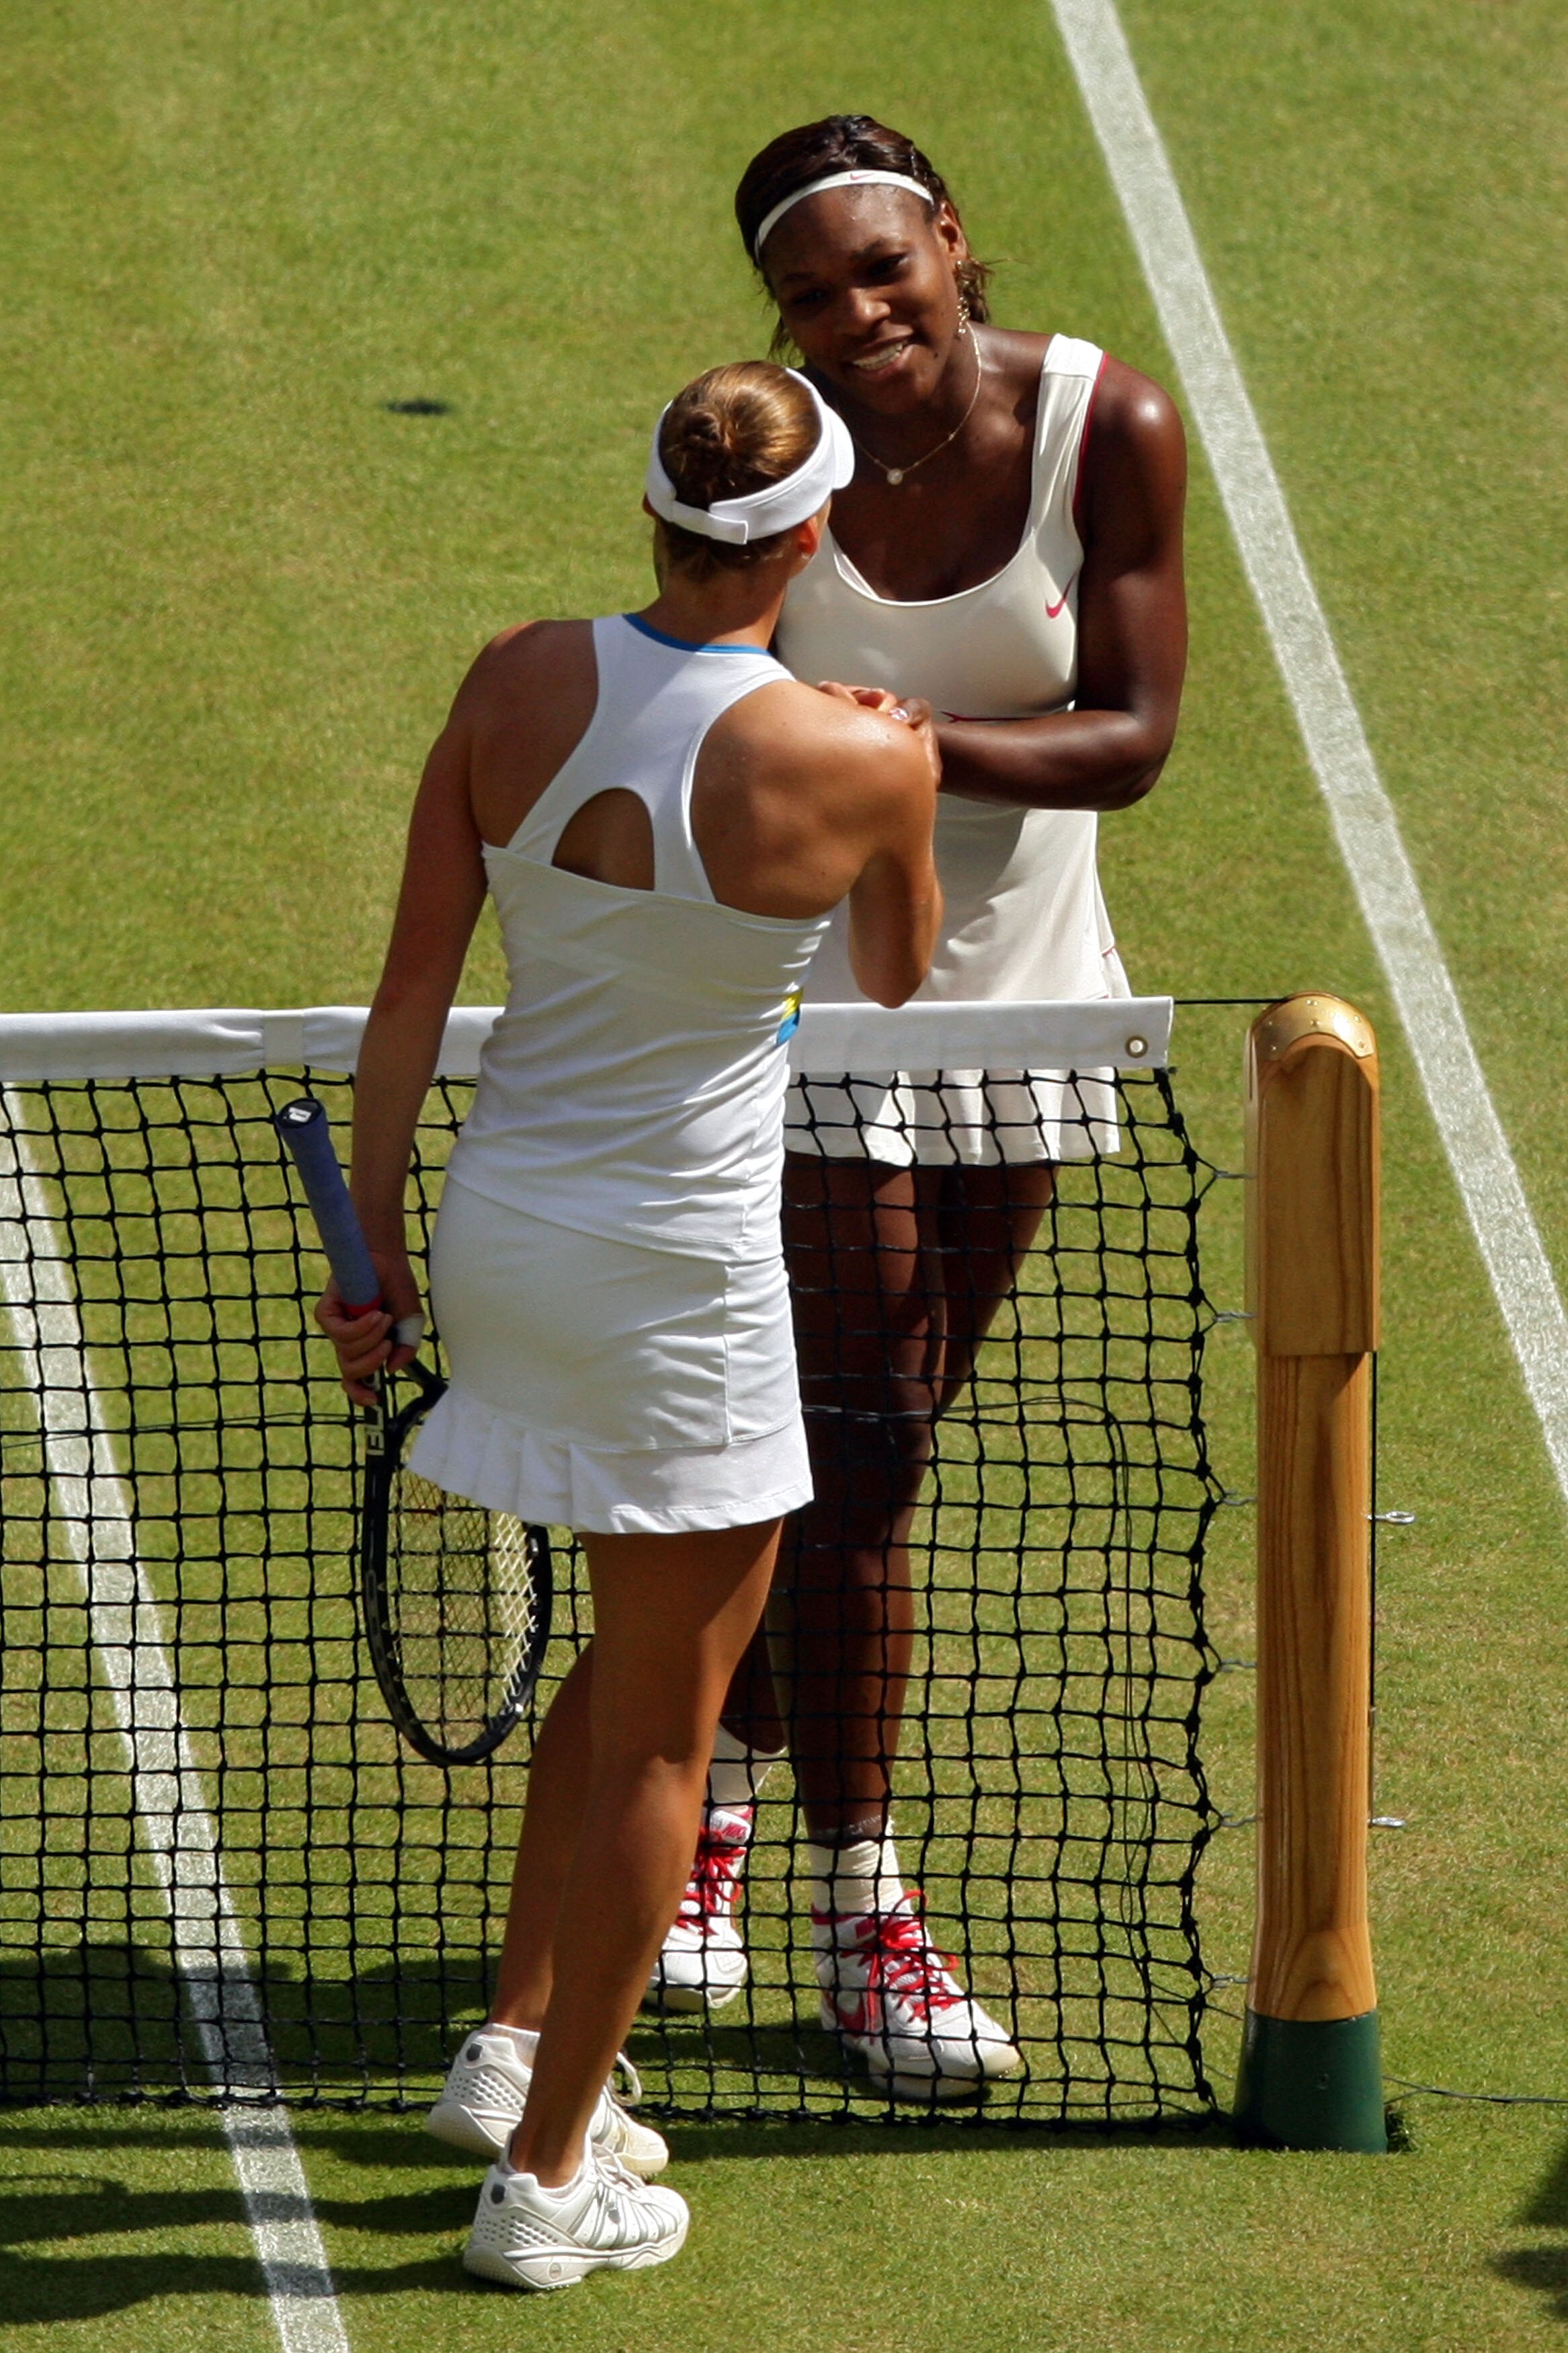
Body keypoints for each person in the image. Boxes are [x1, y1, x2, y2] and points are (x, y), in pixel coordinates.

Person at [315, 359, 940, 2290]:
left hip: (506, 1238)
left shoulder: (513, 677)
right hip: (680, 1283)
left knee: (625, 1660)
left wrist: (372, 1247)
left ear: (659, 509)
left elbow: (416, 982)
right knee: (672, 1720)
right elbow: (899, 974)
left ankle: (512, 2050)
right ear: (814, 532)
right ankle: (552, 2178)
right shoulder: (858, 756)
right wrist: (901, 753)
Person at [653, 115, 1188, 2102]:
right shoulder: (767, 451)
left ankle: (724, 1783)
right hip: (814, 1017)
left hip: (1031, 1011)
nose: (856, 313)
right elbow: (697, 693)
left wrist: (900, 741)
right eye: (811, 291)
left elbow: (1131, 738)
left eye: (885, 268)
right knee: (861, 1452)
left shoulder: (1106, 422)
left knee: (885, 1433)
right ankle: (856, 1908)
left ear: (955, 243)